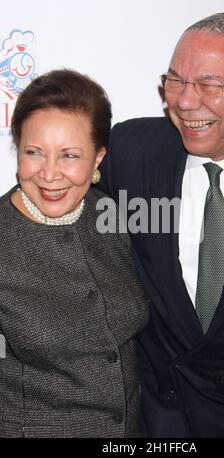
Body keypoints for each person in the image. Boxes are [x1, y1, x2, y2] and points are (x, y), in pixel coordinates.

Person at [100, 12, 224, 437]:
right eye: (174, 81)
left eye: (209, 84)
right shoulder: (129, 152)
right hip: (153, 424)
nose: (185, 101)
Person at [0, 69, 148, 438]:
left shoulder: (114, 217)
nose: (50, 174)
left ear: (98, 157)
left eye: (69, 155)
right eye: (34, 153)